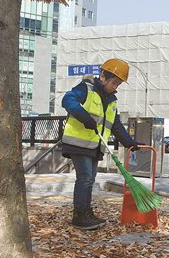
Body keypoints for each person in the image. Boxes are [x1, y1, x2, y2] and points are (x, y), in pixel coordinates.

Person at [61, 58, 142, 230]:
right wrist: (85, 118)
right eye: (114, 82)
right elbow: (68, 101)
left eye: (118, 84)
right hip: (78, 143)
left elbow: (116, 125)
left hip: (94, 146)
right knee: (85, 178)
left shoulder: (111, 100)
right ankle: (80, 216)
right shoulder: (85, 88)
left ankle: (85, 212)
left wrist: (129, 143)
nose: (115, 87)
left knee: (90, 179)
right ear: (103, 76)